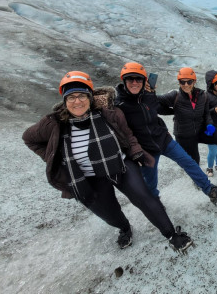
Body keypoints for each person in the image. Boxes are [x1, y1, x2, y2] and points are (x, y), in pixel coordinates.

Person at [22, 71, 193, 252]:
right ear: (64, 100)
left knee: (145, 198)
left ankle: (171, 234)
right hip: (88, 177)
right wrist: (53, 158)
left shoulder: (109, 113)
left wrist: (136, 152)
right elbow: (29, 139)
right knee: (109, 213)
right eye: (71, 97)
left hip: (120, 166)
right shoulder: (54, 123)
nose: (77, 101)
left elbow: (128, 135)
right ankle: (124, 228)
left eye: (81, 96)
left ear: (90, 97)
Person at [114, 63, 217, 202]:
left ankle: (210, 190)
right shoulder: (119, 104)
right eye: (130, 79)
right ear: (123, 81)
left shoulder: (149, 95)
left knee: (189, 162)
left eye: (138, 79)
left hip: (164, 139)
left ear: (144, 81)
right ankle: (155, 204)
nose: (134, 83)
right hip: (145, 148)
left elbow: (156, 107)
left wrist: (174, 109)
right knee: (150, 182)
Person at [156, 67, 217, 179]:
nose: (186, 85)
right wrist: (150, 93)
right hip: (185, 135)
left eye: (189, 81)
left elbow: (206, 114)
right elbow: (156, 104)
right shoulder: (175, 95)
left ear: (194, 81)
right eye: (182, 82)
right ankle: (197, 179)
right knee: (195, 160)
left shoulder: (201, 95)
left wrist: (209, 124)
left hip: (200, 130)